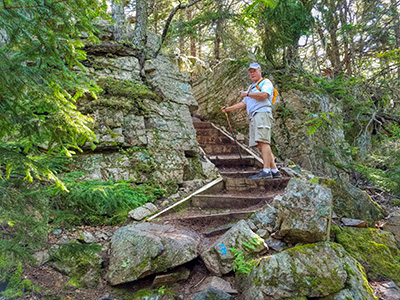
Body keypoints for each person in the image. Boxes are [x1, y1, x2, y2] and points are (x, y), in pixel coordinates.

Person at [221, 62, 281, 179]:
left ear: (260, 71)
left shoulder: (265, 82)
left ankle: (266, 171)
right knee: (260, 144)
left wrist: (247, 93)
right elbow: (244, 103)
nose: (252, 73)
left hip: (262, 113)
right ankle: (274, 170)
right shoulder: (251, 87)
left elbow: (264, 95)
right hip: (254, 116)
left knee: (264, 142)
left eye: (254, 71)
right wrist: (228, 109)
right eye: (250, 72)